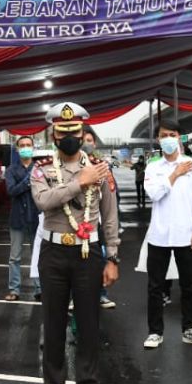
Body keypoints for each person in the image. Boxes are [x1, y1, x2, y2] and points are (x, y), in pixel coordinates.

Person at [31, 102, 120, 384]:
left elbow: (110, 216)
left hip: (88, 253)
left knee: (88, 324)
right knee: (53, 325)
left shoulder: (101, 168)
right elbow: (43, 202)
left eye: (75, 131)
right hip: (54, 253)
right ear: (53, 134)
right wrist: (79, 182)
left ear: (84, 133)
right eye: (62, 131)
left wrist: (112, 257)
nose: (69, 136)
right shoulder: (41, 168)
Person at [141, 119, 192, 350]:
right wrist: (174, 175)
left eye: (172, 134)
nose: (168, 138)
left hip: (186, 233)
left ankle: (190, 329)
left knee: (189, 285)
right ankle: (154, 332)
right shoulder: (153, 166)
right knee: (155, 286)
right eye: (164, 135)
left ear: (179, 138)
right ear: (158, 139)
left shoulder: (191, 164)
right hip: (159, 234)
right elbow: (154, 193)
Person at [82, 126, 118, 309]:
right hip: (76, 229)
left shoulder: (102, 167)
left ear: (94, 143)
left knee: (101, 260)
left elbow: (111, 200)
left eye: (89, 141)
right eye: (83, 140)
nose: (86, 144)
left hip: (97, 226)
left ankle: (101, 294)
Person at [4, 135, 40, 301]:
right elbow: (11, 191)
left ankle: (40, 288)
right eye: (22, 145)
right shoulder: (11, 170)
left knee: (37, 254)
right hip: (17, 218)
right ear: (17, 149)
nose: (25, 147)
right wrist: (28, 180)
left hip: (36, 217)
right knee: (15, 257)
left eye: (28, 145)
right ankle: (14, 289)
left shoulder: (39, 168)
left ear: (33, 148)